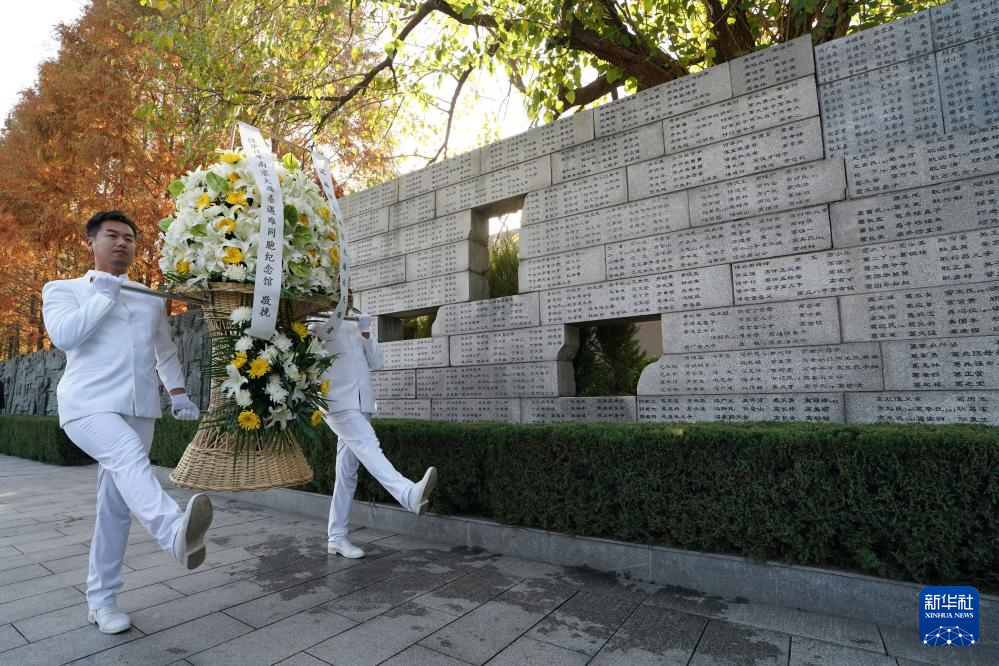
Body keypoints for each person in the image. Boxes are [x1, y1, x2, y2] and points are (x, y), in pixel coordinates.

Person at [41, 211, 214, 635]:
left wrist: (177, 393)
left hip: (139, 409)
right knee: (126, 455)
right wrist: (102, 296)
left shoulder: (149, 296)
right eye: (113, 235)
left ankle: (101, 601)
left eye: (130, 238)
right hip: (86, 404)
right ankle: (173, 530)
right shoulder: (63, 289)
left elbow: (164, 351)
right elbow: (64, 337)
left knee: (115, 509)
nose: (122, 243)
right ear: (92, 243)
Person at [313, 292, 438, 558]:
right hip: (336, 403)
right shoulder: (316, 322)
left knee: (347, 474)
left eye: (347, 292)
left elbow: (378, 363)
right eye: (338, 292)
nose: (344, 297)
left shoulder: (359, 323)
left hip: (362, 404)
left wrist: (367, 335)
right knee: (370, 446)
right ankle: (408, 494)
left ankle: (336, 538)